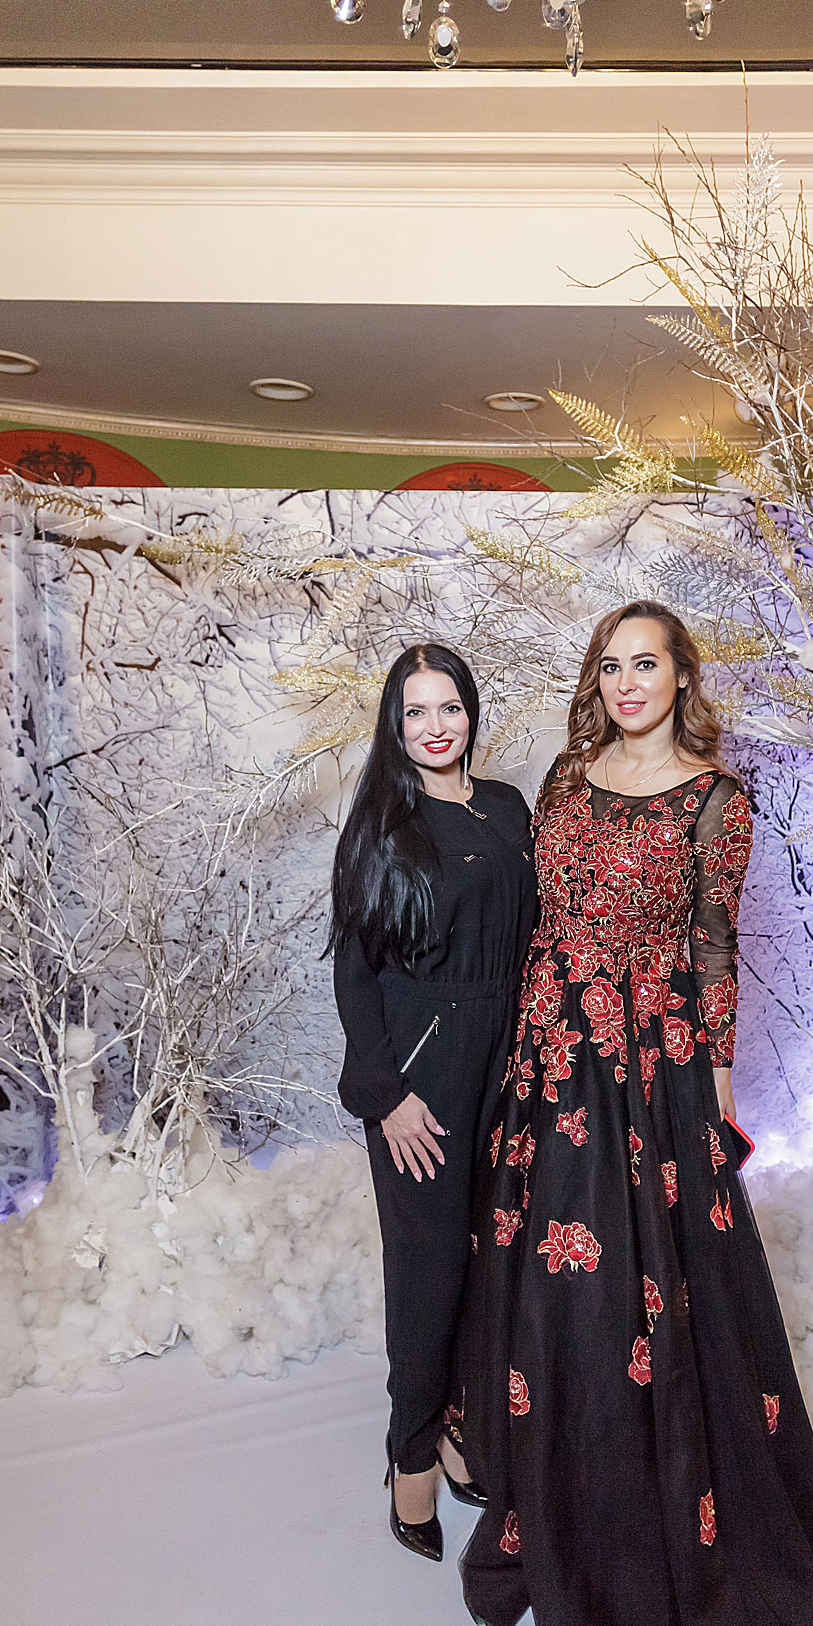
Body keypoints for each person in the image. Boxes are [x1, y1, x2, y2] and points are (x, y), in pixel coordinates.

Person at [458, 602, 813, 1626]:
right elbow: (537, 923)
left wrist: (716, 1104)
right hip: (547, 1060)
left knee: (646, 1298)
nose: (628, 681)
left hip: (646, 1075)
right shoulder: (564, 775)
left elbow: (712, 952)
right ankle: (563, 1500)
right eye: (611, 663)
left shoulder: (715, 801)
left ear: (682, 675)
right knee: (551, 1293)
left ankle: (654, 1522)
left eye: (647, 663)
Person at [330, 643, 537, 1563]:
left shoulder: (507, 806)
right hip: (426, 1075)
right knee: (429, 1273)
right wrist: (387, 1097)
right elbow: (355, 972)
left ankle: (459, 1428)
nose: (435, 726)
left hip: (511, 1061)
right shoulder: (382, 825)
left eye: (448, 706)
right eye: (415, 711)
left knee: (492, 1265)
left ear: (470, 711)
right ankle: (409, 1456)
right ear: (394, 724)